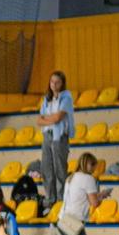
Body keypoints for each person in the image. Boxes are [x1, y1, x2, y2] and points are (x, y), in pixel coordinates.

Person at [58, 152, 110, 235]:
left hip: (62, 220)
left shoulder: (71, 177)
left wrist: (98, 195)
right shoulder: (88, 178)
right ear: (88, 164)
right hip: (74, 223)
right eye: (93, 166)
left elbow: (81, 197)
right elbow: (94, 203)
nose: (94, 170)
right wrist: (102, 197)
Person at [37, 70, 74, 211]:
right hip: (47, 135)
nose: (54, 84)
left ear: (62, 83)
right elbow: (38, 120)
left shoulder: (66, 98)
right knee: (47, 168)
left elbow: (58, 118)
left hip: (60, 137)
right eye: (52, 81)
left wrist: (48, 119)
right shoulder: (46, 99)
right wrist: (50, 120)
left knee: (59, 169)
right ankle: (50, 200)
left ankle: (60, 199)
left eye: (57, 82)